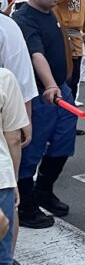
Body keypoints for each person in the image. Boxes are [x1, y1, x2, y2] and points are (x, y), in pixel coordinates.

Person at [12, 0, 78, 229]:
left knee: (64, 141)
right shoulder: (24, 18)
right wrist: (51, 86)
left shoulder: (51, 13)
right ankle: (26, 204)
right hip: (39, 95)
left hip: (61, 90)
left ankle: (44, 190)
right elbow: (35, 54)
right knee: (31, 150)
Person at [0, 67, 28, 264]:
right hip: (1, 179)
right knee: (3, 254)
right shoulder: (4, 78)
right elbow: (14, 137)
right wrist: (14, 179)